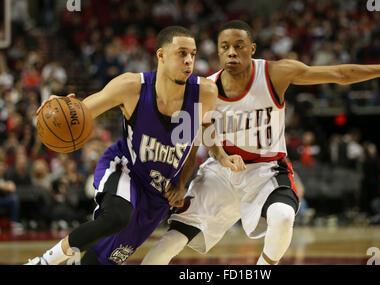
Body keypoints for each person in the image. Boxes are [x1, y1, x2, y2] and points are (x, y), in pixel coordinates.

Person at [141, 20, 380, 265]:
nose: (231, 52)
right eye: (225, 47)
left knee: (282, 218)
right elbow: (196, 139)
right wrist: (181, 181)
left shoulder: (274, 73)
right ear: (218, 51)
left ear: (252, 49)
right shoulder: (206, 88)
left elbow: (341, 74)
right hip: (221, 170)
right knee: (176, 235)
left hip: (266, 170)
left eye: (239, 46)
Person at [25, 26, 244, 265]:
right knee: (117, 217)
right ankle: (43, 262)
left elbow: (201, 136)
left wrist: (190, 178)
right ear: (161, 55)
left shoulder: (205, 93)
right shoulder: (131, 87)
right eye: (181, 53)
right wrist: (58, 108)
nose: (189, 60)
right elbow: (82, 111)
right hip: (126, 170)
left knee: (100, 262)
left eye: (193, 54)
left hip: (158, 194)